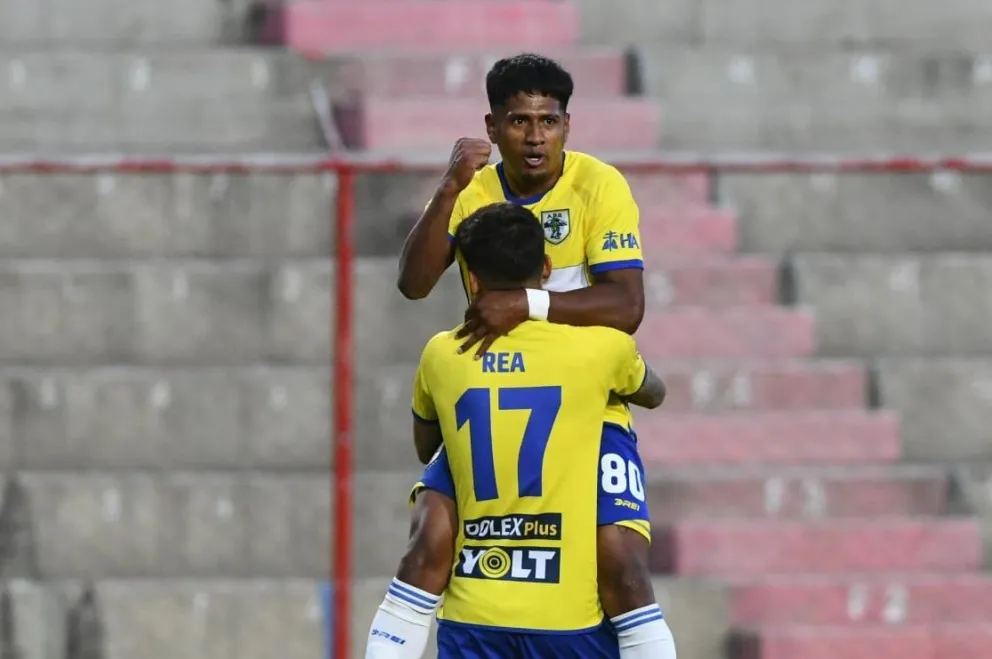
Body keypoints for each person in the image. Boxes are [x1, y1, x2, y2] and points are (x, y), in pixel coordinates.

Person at [375, 52, 672, 657]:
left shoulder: (599, 185)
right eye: (518, 121)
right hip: (489, 388)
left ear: (568, 124)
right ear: (491, 127)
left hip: (584, 401)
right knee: (428, 535)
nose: (535, 137)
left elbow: (626, 304)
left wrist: (527, 306)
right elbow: (413, 283)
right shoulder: (474, 189)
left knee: (619, 560)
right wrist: (448, 187)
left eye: (548, 120)